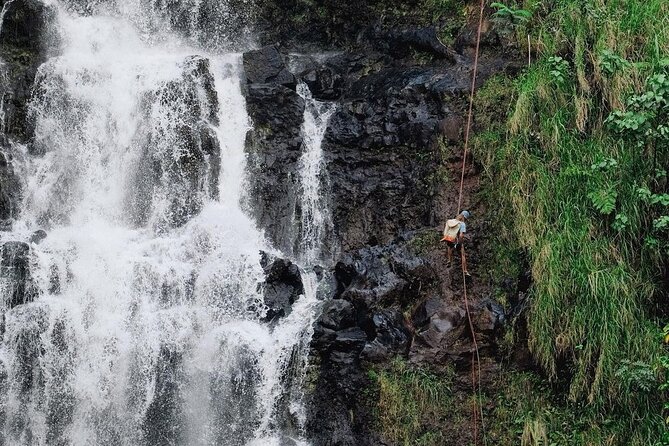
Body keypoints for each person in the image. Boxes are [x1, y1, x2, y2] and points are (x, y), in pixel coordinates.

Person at [440, 210, 470, 276]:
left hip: (449, 238)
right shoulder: (462, 224)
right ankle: (465, 270)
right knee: (463, 254)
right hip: (456, 240)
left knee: (449, 247)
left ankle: (449, 260)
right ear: (464, 217)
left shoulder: (451, 221)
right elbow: (461, 235)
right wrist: (460, 243)